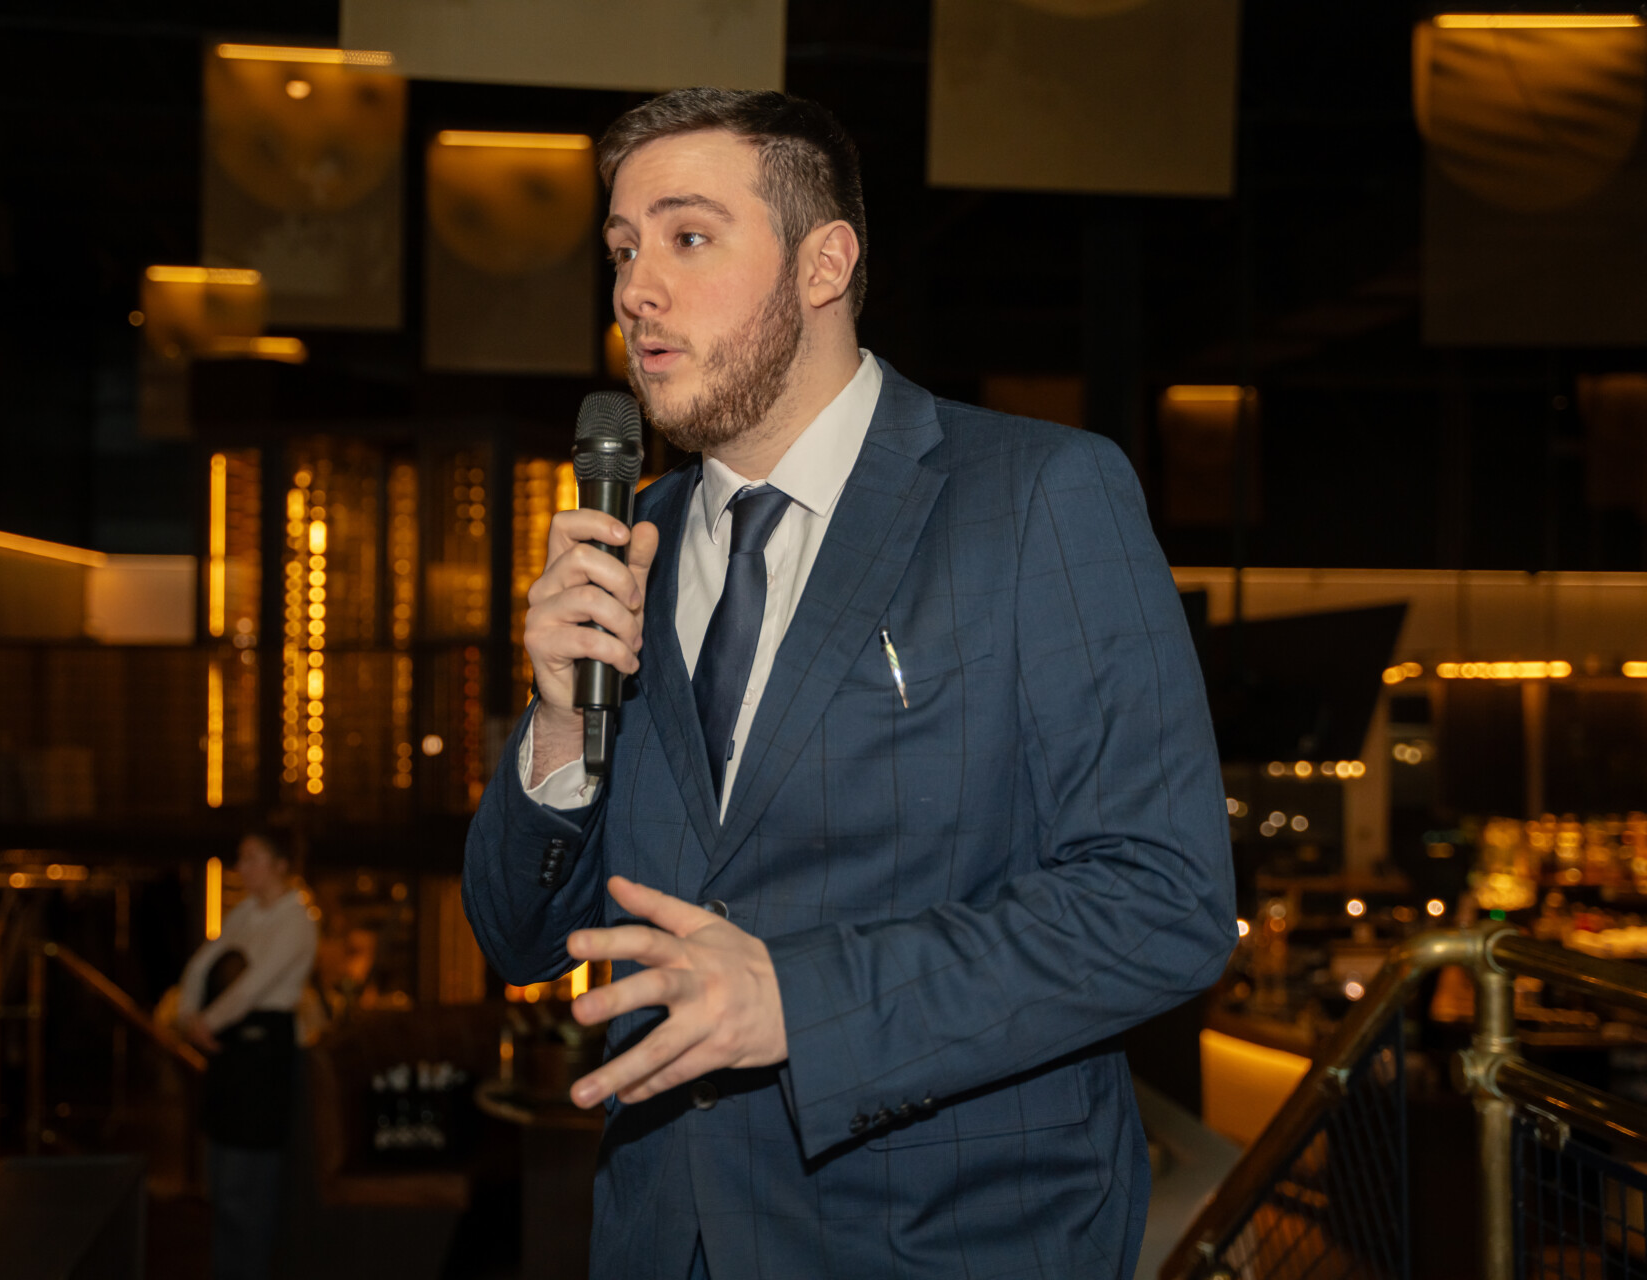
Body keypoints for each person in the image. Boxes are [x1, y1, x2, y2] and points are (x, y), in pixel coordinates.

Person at [462, 87, 1237, 1279]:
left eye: (687, 236)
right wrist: (561, 725)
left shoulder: (1038, 495)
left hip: (944, 1245)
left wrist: (803, 1001)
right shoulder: (631, 541)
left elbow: (1162, 903)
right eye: (621, 250)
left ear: (824, 264)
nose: (636, 289)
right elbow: (520, 939)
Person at [177, 831, 318, 1280]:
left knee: (247, 1190)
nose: (242, 868)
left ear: (280, 865)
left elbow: (253, 986)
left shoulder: (297, 920)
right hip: (231, 1053)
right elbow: (202, 964)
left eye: (252, 858)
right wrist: (187, 1013)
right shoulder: (244, 913)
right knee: (222, 1187)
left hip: (263, 1054)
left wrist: (207, 1022)